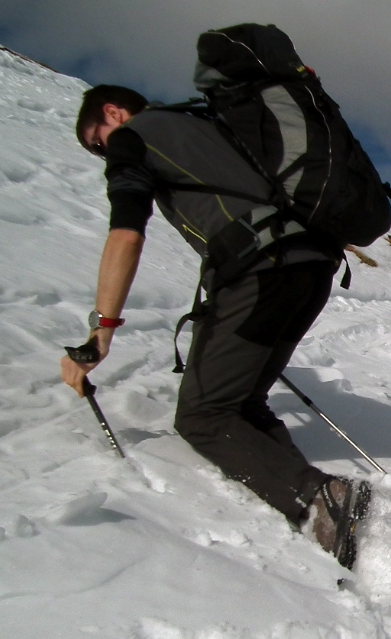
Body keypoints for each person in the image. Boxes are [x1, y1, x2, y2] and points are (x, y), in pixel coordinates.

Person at [60, 85, 370, 567]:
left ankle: (319, 500)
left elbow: (125, 235)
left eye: (97, 141)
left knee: (202, 414)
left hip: (262, 269)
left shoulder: (135, 136)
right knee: (242, 400)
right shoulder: (209, 123)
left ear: (112, 112)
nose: (101, 152)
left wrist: (101, 331)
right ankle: (321, 504)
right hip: (313, 266)